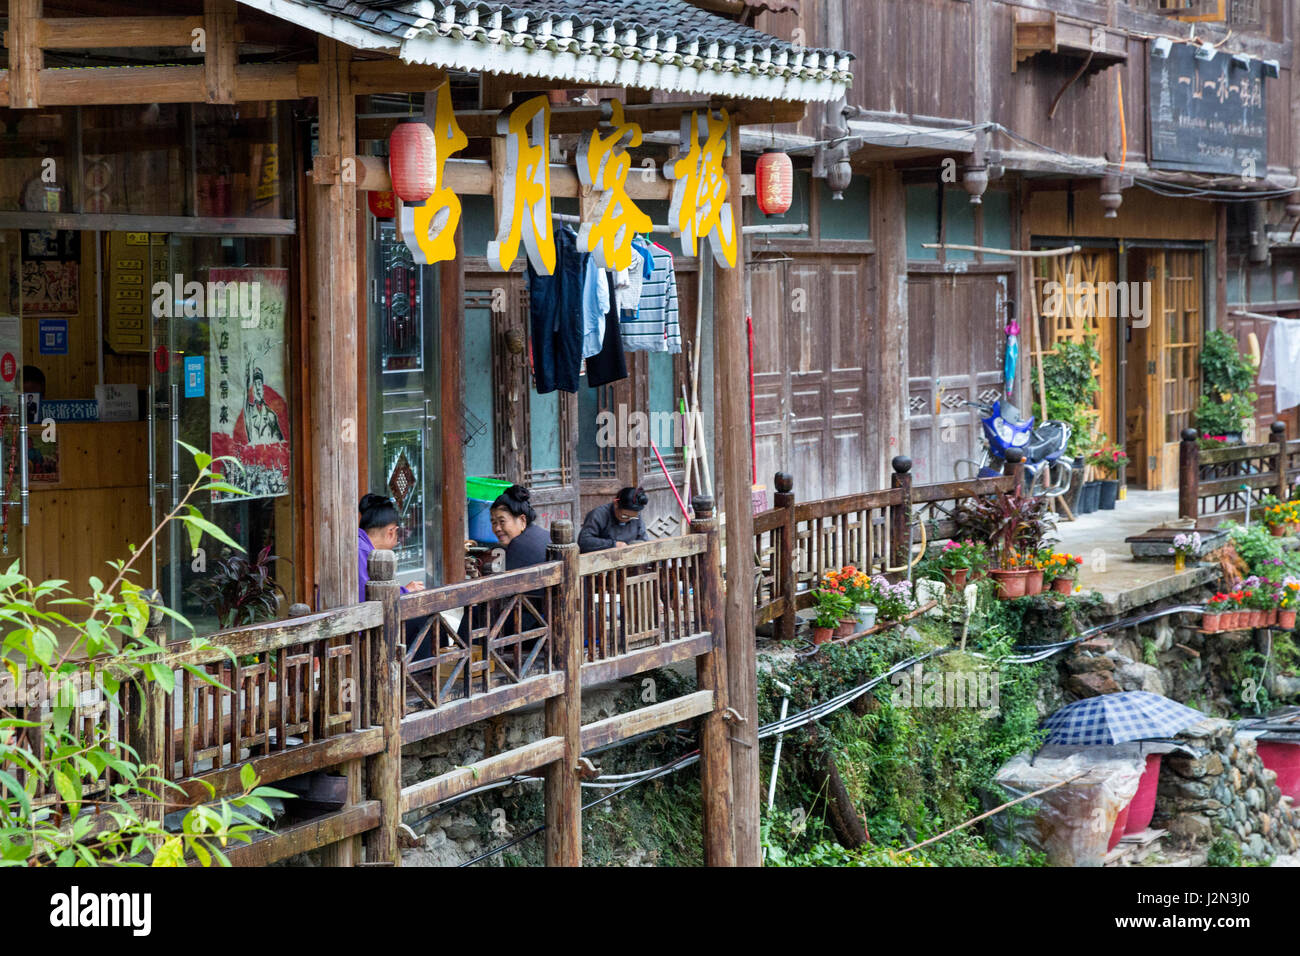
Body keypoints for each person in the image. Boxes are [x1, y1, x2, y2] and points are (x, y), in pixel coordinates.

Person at [358, 493, 425, 603]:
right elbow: (370, 599)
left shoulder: (360, 546)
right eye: (397, 533)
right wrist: (406, 591)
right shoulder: (360, 551)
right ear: (391, 532)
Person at [578, 486, 648, 553]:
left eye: (632, 517)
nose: (628, 519)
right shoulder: (598, 515)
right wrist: (613, 545)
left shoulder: (636, 516)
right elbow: (584, 541)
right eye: (625, 516)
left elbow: (644, 539)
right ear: (616, 504)